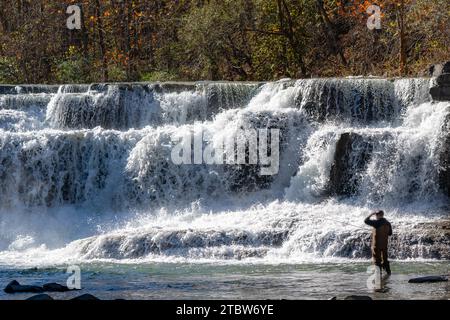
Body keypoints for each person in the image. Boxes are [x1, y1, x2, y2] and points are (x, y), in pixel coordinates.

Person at [364, 210, 392, 275]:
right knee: (385, 259)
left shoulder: (376, 223)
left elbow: (365, 220)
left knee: (377, 260)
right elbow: (390, 233)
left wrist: (371, 214)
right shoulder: (388, 223)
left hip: (377, 245)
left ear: (378, 215)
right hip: (384, 245)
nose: (375, 216)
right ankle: (388, 273)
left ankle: (378, 274)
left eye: (376, 215)